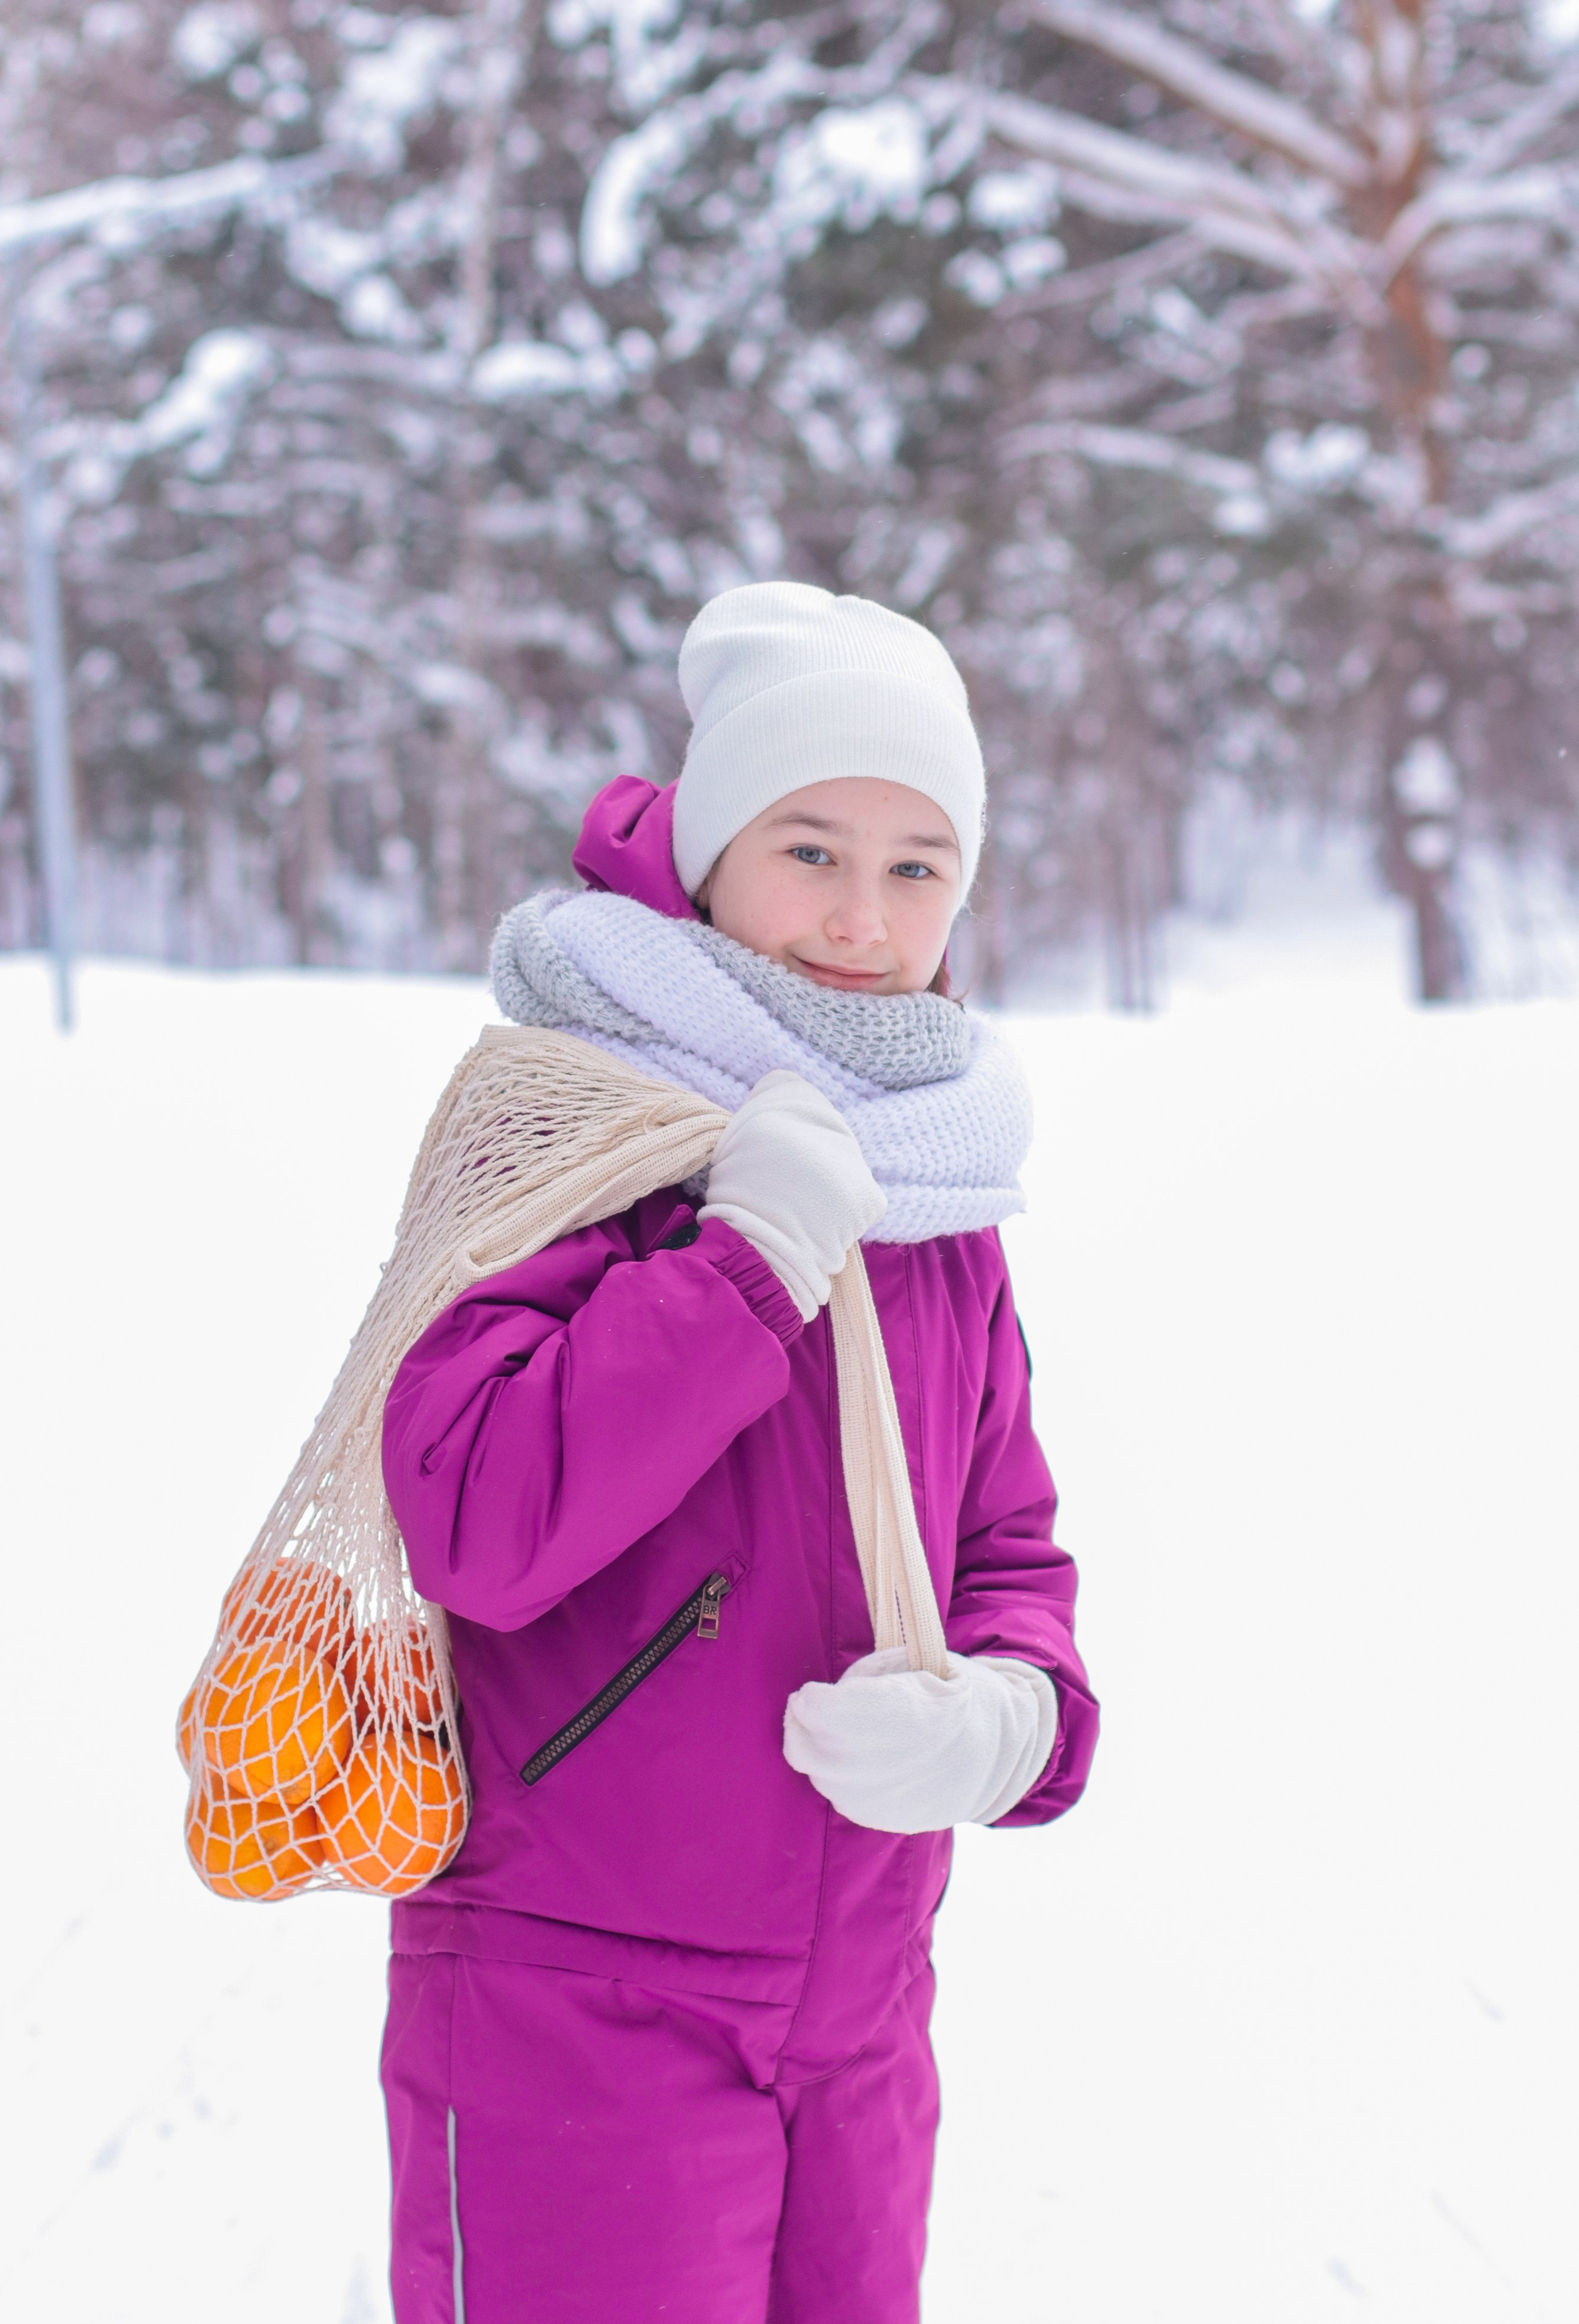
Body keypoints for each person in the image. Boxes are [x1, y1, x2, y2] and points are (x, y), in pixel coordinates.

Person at [378, 580, 1100, 2323]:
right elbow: (474, 1511)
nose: (860, 918)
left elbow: (1005, 1544)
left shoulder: (936, 1190)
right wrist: (740, 1270)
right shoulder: (571, 1114)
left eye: (918, 866)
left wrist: (1011, 1720)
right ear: (709, 856)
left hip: (859, 2019)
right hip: (577, 1998)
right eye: (811, 849)